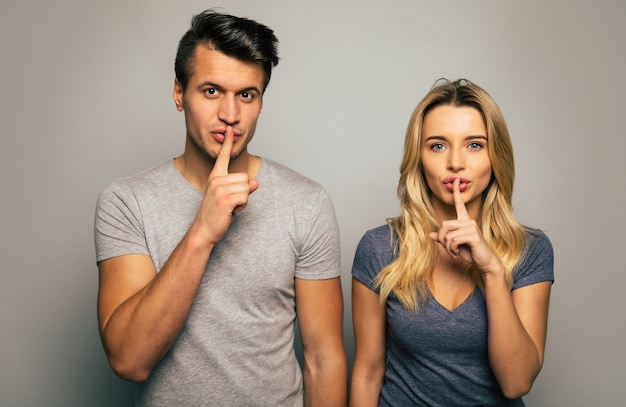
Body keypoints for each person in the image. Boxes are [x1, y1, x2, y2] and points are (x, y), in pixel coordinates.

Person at [94, 9, 347, 406]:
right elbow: (129, 360)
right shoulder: (127, 201)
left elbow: (324, 358)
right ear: (180, 93)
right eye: (211, 91)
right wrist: (202, 232)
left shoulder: (306, 202)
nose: (230, 115)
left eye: (246, 95)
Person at [349, 79, 554, 406]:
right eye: (438, 145)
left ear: (495, 157)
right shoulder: (380, 248)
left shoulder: (530, 249)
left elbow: (516, 383)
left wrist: (493, 273)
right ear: (419, 158)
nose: (455, 162)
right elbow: (367, 372)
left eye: (474, 145)